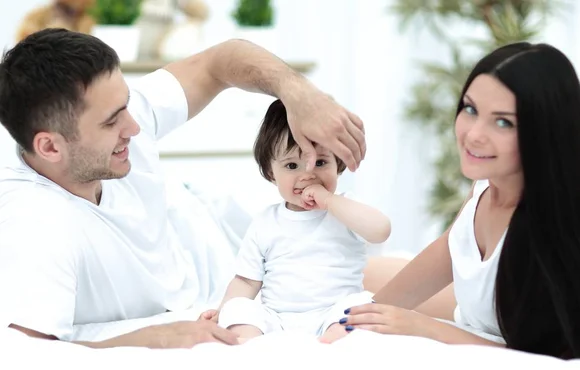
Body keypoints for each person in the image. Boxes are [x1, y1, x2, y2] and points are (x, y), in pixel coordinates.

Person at [0, 28, 368, 349]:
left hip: (236, 248)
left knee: (400, 280)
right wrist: (147, 339)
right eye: (113, 122)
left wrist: (298, 92)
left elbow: (221, 61)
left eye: (126, 105)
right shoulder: (34, 222)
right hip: (238, 291)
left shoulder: (118, 116)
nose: (135, 127)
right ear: (50, 147)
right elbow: (29, 350)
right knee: (388, 300)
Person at [331, 42, 580, 360]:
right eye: (470, 109)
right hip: (474, 310)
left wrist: (426, 327)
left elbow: (549, 355)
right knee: (352, 271)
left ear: (545, 131)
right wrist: (364, 316)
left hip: (500, 328)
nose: (473, 134)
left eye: (503, 122)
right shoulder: (486, 186)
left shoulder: (557, 229)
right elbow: (449, 249)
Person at [199, 99, 391, 343]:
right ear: (271, 173)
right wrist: (223, 311)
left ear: (338, 163)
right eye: (292, 165)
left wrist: (329, 200)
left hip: (334, 312)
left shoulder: (344, 209)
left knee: (363, 305)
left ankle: (333, 345)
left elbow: (381, 230)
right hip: (275, 318)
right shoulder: (266, 222)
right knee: (239, 309)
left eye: (321, 162)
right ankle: (249, 345)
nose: (308, 175)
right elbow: (246, 280)